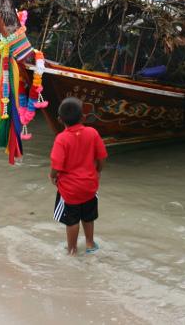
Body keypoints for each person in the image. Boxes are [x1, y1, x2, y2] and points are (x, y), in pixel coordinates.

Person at [49, 97, 107, 255]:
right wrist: (98, 171)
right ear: (83, 117)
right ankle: (90, 243)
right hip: (89, 187)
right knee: (88, 217)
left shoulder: (61, 139)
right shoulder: (92, 133)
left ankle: (72, 250)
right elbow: (101, 157)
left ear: (60, 120)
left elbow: (56, 165)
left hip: (70, 190)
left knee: (72, 220)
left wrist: (52, 176)